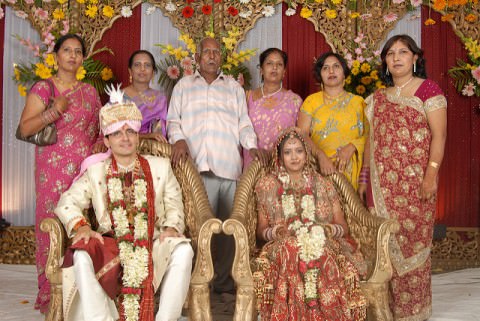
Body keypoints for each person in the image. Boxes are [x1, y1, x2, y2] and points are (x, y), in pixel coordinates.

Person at [54, 85, 193, 321]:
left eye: (130, 132)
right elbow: (67, 201)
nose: (125, 138)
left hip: (152, 240)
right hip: (111, 243)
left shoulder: (160, 166)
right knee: (80, 254)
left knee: (184, 250)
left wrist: (172, 226)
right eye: (117, 133)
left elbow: (174, 202)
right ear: (107, 141)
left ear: (139, 136)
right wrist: (82, 226)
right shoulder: (96, 171)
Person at [167, 37, 268, 297]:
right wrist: (178, 140)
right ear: (198, 57)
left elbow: (243, 123)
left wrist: (252, 145)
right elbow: (172, 121)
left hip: (229, 167)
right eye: (207, 52)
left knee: (228, 230)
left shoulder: (233, 87)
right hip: (196, 169)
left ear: (221, 58)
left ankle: (223, 285)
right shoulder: (183, 86)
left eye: (216, 52)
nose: (212, 56)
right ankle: (197, 286)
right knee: (198, 228)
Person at [359, 34, 447, 320]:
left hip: (415, 186)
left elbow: (440, 135)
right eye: (390, 53)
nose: (396, 57)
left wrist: (431, 175)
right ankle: (384, 311)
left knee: (413, 244)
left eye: (403, 52)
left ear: (415, 58)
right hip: (381, 187)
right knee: (383, 246)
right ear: (385, 61)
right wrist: (364, 178)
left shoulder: (428, 90)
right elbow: (371, 141)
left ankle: (414, 312)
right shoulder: (377, 98)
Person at [17, 34, 104, 313]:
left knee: (81, 225)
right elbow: (25, 129)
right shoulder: (45, 88)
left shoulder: (90, 92)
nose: (72, 56)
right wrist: (53, 111)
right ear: (56, 56)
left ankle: (79, 293)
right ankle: (50, 294)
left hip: (84, 172)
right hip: (52, 171)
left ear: (82, 59)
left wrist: (101, 146)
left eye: (78, 51)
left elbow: (100, 131)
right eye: (67, 50)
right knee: (52, 227)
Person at [253, 127, 367, 321]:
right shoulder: (267, 184)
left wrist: (325, 229)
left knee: (319, 252)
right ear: (279, 157)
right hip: (283, 243)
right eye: (288, 152)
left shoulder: (323, 184)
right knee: (292, 248)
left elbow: (343, 226)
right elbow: (261, 230)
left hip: (321, 240)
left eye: (299, 151)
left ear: (306, 154)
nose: (294, 157)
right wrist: (277, 232)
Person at [297, 52, 368, 190]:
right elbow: (302, 134)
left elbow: (369, 136)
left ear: (344, 72)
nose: (331, 71)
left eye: (336, 66)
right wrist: (321, 156)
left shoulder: (359, 103)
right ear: (320, 75)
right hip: (319, 170)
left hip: (351, 174)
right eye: (325, 68)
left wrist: (352, 146)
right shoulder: (311, 101)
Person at [242, 48, 302, 170]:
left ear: (284, 71)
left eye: (279, 64)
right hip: (252, 166)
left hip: (283, 167)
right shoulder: (247, 97)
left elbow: (301, 138)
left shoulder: (294, 101)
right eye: (269, 63)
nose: (274, 67)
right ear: (261, 70)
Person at [123, 49, 168, 142]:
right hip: (123, 147)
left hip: (152, 149)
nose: (142, 69)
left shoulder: (159, 99)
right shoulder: (118, 97)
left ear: (153, 72)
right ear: (130, 71)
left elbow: (159, 133)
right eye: (137, 65)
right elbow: (113, 131)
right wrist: (146, 136)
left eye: (147, 65)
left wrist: (151, 137)